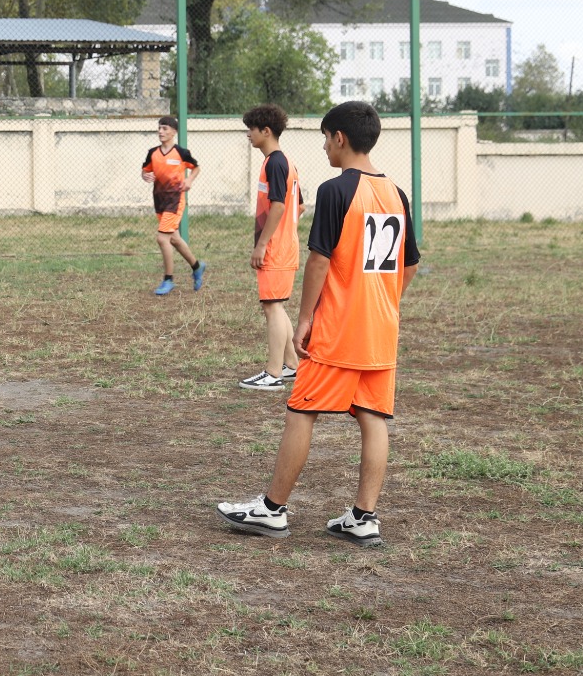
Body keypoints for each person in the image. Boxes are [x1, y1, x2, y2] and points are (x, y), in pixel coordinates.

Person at [215, 101, 420, 547]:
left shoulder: (335, 190)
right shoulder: (397, 194)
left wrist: (305, 319)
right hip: (381, 331)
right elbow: (410, 265)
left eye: (326, 138)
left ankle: (272, 510)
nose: (324, 147)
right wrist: (384, 304)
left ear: (339, 138)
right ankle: (364, 517)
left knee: (301, 410)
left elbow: (320, 261)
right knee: (373, 417)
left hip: (337, 329)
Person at [239, 104, 304, 391]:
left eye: (251, 130)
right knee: (274, 305)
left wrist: (263, 243)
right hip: (284, 245)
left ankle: (273, 373)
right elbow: (299, 206)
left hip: (276, 248)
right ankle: (291, 365)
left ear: (266, 131)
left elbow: (279, 205)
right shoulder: (285, 162)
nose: (248, 135)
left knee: (272, 307)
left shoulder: (275, 163)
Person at [141, 116, 205, 295]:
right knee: (174, 239)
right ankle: (197, 267)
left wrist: (189, 180)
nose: (161, 132)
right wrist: (145, 176)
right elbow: (145, 171)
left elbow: (196, 167)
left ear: (174, 132)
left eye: (165, 128)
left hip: (175, 201)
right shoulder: (152, 153)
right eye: (159, 128)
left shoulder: (181, 153)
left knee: (162, 239)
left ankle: (168, 279)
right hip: (159, 200)